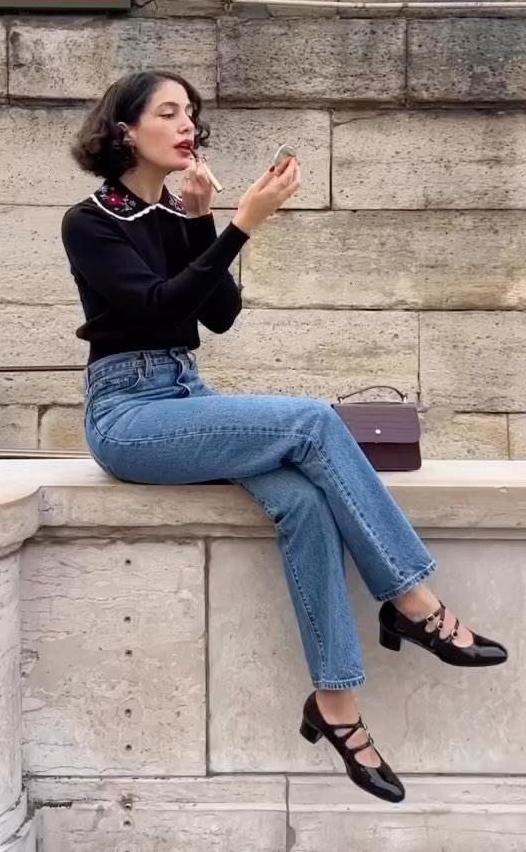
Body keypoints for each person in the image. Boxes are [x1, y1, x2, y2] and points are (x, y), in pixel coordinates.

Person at [61, 69, 507, 804]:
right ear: (124, 131)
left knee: (301, 502)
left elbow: (218, 317)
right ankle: (413, 603)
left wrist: (203, 221)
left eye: (191, 113)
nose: (188, 125)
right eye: (169, 112)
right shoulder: (89, 221)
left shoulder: (172, 215)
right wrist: (242, 226)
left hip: (185, 394)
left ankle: (336, 705)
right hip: (128, 415)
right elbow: (153, 308)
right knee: (312, 418)